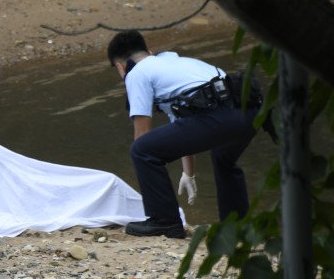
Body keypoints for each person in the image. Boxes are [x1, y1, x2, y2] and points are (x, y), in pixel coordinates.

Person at [107, 29, 262, 239]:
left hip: (217, 118)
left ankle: (165, 221)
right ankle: (236, 229)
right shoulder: (176, 62)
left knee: (141, 149)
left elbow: (142, 134)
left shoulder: (136, 73)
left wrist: (149, 176)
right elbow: (184, 123)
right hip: (249, 112)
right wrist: (188, 174)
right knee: (224, 160)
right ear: (149, 51)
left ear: (120, 66)